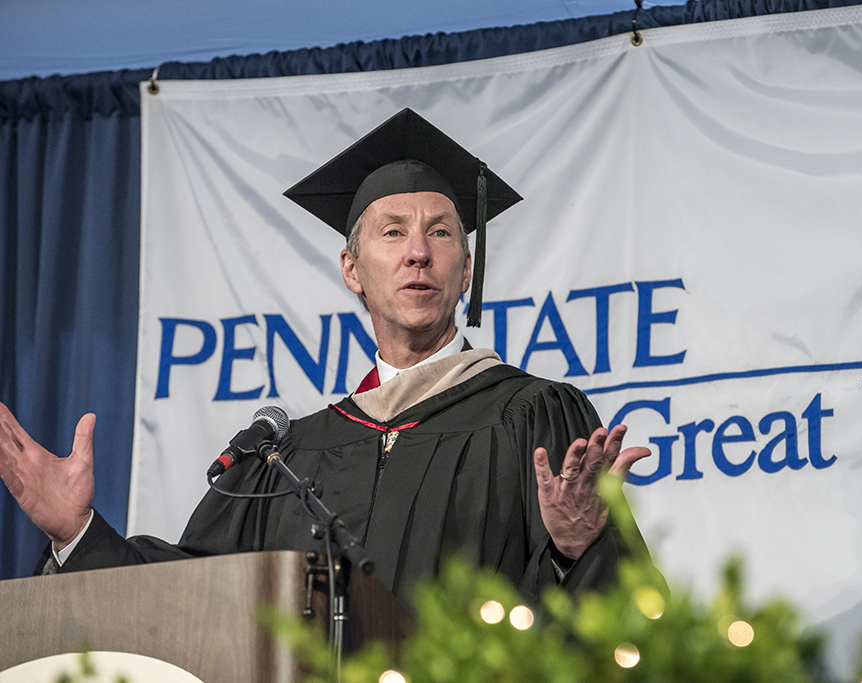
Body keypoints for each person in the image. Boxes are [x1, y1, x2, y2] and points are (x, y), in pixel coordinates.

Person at [0, 108, 652, 603]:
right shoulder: (284, 459)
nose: (417, 252)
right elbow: (192, 593)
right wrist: (77, 531)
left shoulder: (531, 417)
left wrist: (576, 547)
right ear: (352, 269)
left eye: (440, 233)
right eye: (391, 232)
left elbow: (620, 619)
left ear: (465, 269)